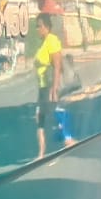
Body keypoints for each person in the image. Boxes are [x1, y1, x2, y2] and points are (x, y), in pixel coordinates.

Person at [35, 12, 63, 156]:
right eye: (36, 26)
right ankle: (42, 152)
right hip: (42, 86)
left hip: (48, 86)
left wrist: (54, 87)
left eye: (39, 26)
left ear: (46, 27)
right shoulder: (44, 41)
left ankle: (65, 141)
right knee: (42, 117)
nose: (37, 29)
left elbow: (57, 65)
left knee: (48, 116)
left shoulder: (51, 40)